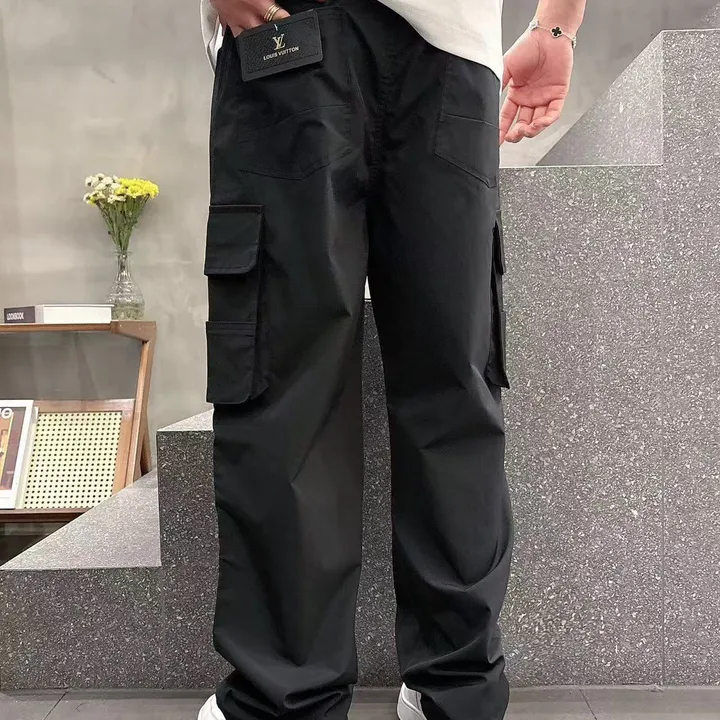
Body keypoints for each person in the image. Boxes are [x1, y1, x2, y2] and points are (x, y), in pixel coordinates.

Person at [198, 0, 585, 719]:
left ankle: (288, 699)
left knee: (289, 384)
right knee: (454, 385)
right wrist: (557, 26)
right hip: (448, 52)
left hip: (293, 35)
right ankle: (456, 692)